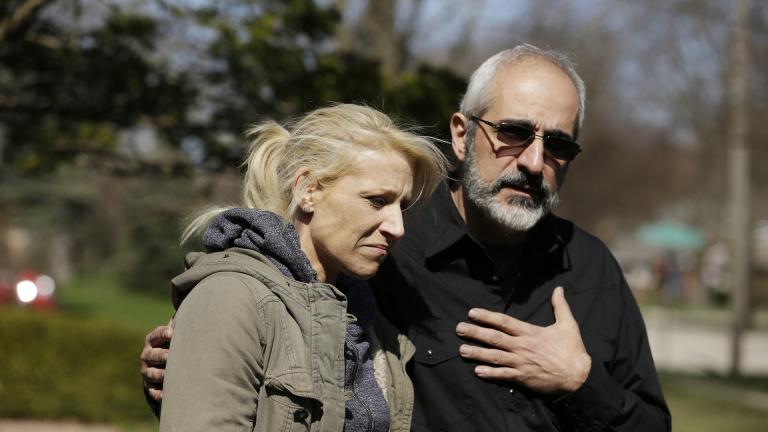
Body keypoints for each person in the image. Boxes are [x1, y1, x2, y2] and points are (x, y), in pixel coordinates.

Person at [142, 45, 671, 431]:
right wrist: (190, 358)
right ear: (462, 133)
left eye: (558, 145)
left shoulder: (592, 267)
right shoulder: (383, 248)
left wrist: (580, 383)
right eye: (513, 132)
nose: (534, 162)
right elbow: (280, 329)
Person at [153, 103, 447, 431]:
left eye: (401, 207)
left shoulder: (367, 319)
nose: (397, 226)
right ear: (308, 190)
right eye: (377, 201)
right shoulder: (230, 297)